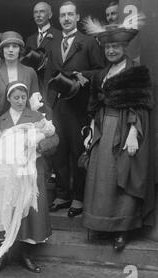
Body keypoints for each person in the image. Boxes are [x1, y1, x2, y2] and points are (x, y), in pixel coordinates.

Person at [82, 17, 156, 251]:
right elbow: (96, 106)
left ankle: (122, 230)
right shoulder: (102, 72)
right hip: (103, 129)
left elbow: (141, 106)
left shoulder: (135, 70)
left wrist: (134, 134)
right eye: (107, 47)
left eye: (115, 47)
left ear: (124, 47)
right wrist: (92, 130)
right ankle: (102, 225)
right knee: (101, 177)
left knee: (122, 175)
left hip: (124, 129)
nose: (111, 50)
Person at [0, 81, 56, 275]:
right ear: (8, 98)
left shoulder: (36, 117)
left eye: (23, 97)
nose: (20, 101)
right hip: (6, 172)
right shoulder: (0, 121)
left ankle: (26, 254)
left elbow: (54, 138)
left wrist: (38, 147)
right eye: (15, 97)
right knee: (6, 206)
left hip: (30, 170)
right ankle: (3, 253)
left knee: (27, 208)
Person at [46, 1, 104, 218]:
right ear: (59, 19)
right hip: (58, 107)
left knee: (79, 151)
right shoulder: (53, 45)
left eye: (70, 14)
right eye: (63, 15)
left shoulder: (89, 42)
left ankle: (79, 197)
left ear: (77, 17)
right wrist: (48, 105)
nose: (66, 18)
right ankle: (62, 195)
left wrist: (83, 75)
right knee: (59, 151)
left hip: (79, 106)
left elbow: (100, 71)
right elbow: (48, 76)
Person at [0, 31, 43, 135]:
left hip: (25, 127)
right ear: (2, 50)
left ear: (20, 50)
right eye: (7, 47)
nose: (11, 50)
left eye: (15, 46)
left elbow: (35, 104)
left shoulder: (30, 72)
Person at [26, 1, 60, 114]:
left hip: (52, 91)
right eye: (35, 12)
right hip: (33, 90)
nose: (38, 15)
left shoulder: (59, 36)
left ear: (50, 15)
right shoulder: (30, 39)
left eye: (42, 11)